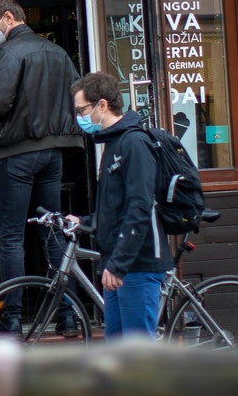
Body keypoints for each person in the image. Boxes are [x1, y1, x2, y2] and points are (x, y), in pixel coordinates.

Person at [0, 0, 84, 336]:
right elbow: (76, 97)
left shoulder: (8, 52)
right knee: (51, 230)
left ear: (9, 17)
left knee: (11, 237)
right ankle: (66, 314)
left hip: (17, 153)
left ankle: (12, 319)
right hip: (53, 153)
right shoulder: (57, 52)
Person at [71, 72, 170, 339]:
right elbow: (114, 208)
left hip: (137, 265)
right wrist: (84, 222)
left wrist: (119, 264)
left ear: (102, 105)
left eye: (82, 110)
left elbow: (140, 207)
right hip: (118, 264)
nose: (79, 117)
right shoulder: (113, 144)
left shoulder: (134, 143)